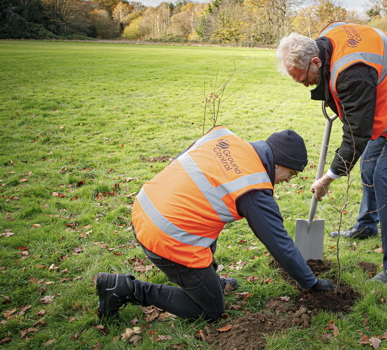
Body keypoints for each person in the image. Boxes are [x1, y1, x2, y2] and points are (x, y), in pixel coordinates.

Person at [96, 126, 334, 321]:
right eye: (290, 174)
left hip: (145, 207)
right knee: (210, 310)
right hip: (167, 235)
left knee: (209, 219)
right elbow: (279, 243)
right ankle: (125, 290)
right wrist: (310, 282)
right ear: (279, 163)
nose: (287, 181)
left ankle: (209, 282)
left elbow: (189, 178)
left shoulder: (223, 136)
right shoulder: (255, 186)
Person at [276, 22, 387, 285]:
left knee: (385, 176)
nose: (304, 86)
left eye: (304, 79)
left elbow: (356, 134)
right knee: (368, 166)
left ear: (315, 62)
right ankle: (366, 226)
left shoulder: (351, 73)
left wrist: (327, 178)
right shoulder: (328, 37)